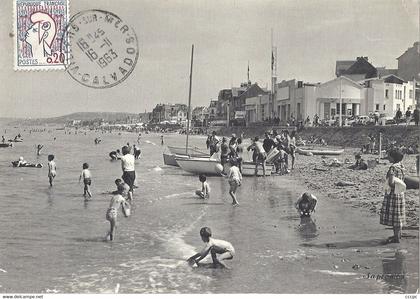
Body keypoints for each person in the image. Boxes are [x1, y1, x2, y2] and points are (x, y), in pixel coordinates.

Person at [380, 149, 406, 243]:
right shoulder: (401, 166)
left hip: (393, 194)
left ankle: (396, 238)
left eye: (389, 156)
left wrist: (389, 186)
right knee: (399, 215)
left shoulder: (393, 168)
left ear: (393, 157)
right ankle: (398, 235)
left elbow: (391, 182)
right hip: (400, 193)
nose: (388, 158)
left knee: (395, 216)